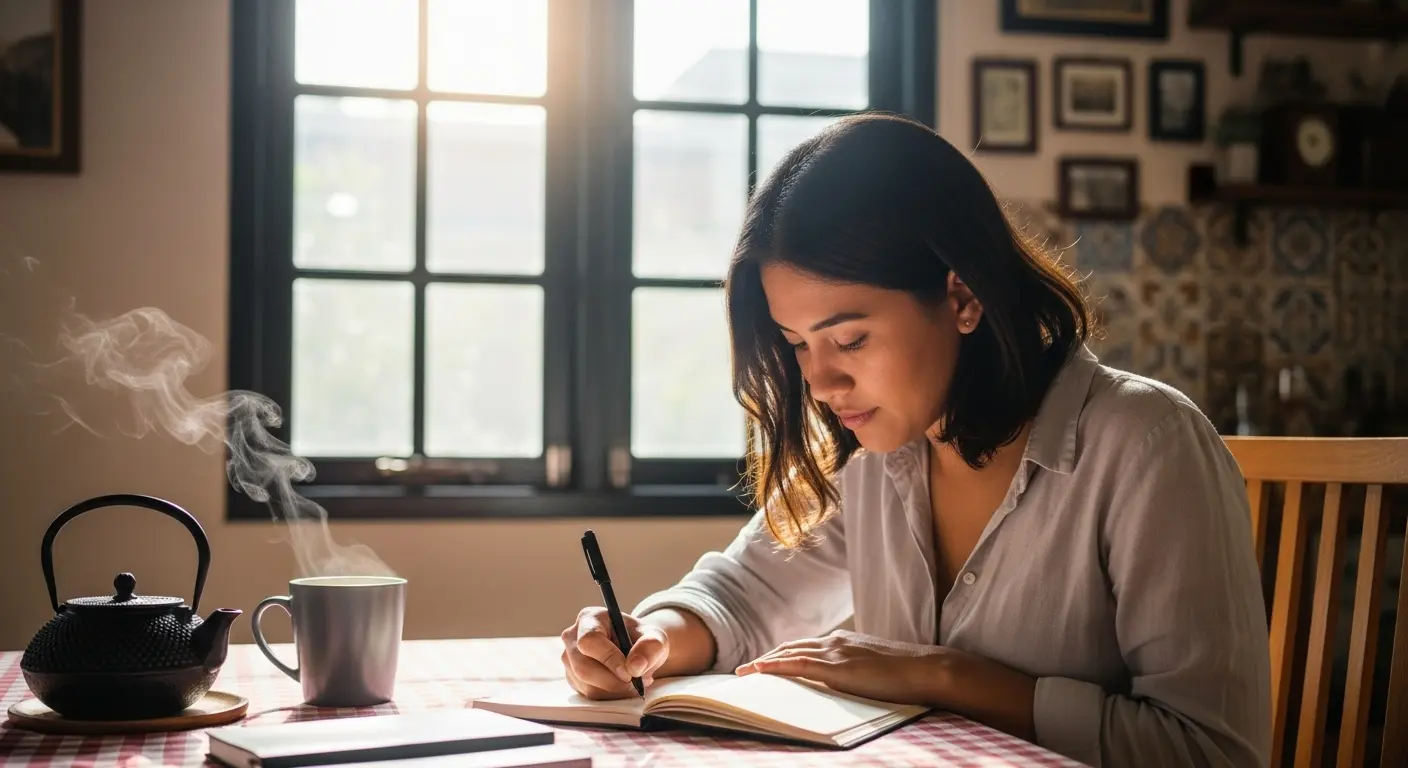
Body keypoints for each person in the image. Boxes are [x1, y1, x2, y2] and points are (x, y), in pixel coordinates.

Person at [559, 113, 1270, 768]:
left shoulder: (1148, 445)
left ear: (962, 298)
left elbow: (1211, 752)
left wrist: (944, 676)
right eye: (797, 344)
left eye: (849, 339)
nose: (820, 381)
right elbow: (741, 595)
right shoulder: (874, 456)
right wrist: (649, 635)